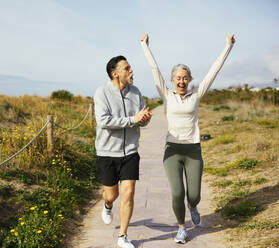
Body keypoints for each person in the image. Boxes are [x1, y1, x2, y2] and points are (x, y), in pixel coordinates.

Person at [140, 33, 235, 244]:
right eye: (177, 77)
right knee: (177, 193)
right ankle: (181, 228)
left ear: (189, 80)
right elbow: (155, 70)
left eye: (185, 77)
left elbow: (214, 70)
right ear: (172, 80)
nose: (181, 81)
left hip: (193, 149)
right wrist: (145, 46)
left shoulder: (197, 94)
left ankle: (193, 207)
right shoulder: (166, 94)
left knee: (194, 195)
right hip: (172, 150)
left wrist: (227, 46)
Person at [94, 55, 152, 248]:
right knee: (112, 195)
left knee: (128, 194)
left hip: (130, 152)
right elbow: (104, 121)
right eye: (127, 68)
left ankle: (123, 236)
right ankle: (107, 205)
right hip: (107, 152)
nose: (131, 71)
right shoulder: (101, 92)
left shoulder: (136, 92)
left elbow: (141, 118)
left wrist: (145, 118)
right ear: (115, 73)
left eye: (130, 67)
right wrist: (133, 120)